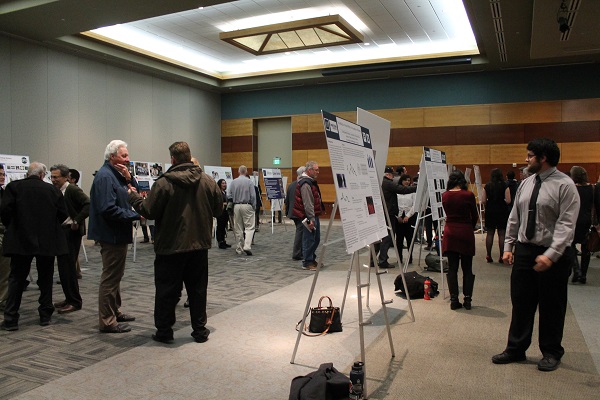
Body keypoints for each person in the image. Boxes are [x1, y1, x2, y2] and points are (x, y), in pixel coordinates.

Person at [493, 138, 579, 372]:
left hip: (554, 255)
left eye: (530, 155)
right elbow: (515, 216)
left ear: (543, 158)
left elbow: (566, 225)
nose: (526, 159)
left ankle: (551, 352)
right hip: (525, 251)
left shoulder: (565, 185)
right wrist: (509, 247)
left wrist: (551, 255)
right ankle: (516, 348)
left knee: (552, 305)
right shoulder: (527, 183)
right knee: (521, 301)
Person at [129, 141, 222, 344]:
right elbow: (218, 210)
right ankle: (199, 330)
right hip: (199, 246)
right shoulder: (207, 181)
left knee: (166, 291)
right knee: (198, 290)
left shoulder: (164, 183)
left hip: (170, 247)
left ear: (172, 159)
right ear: (189, 156)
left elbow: (149, 211)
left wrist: (134, 198)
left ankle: (164, 331)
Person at [0, 162, 69, 331]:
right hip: (47, 241)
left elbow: (5, 212)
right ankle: (45, 315)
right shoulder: (53, 190)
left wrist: (14, 227)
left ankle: (11, 319)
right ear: (41, 175)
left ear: (27, 173)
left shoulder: (13, 187)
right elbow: (63, 214)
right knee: (46, 279)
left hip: (20, 240)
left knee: (16, 279)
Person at [88, 140, 141, 334]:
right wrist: (137, 215)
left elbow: (132, 192)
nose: (128, 159)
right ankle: (107, 321)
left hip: (118, 233)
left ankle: (114, 311)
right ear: (112, 157)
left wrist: (129, 178)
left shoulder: (117, 175)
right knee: (110, 277)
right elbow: (107, 208)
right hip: (110, 234)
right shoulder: (104, 177)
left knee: (116, 275)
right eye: (124, 156)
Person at [49, 164, 89, 314]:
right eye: (51, 177)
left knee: (68, 268)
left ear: (65, 177)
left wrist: (77, 220)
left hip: (71, 233)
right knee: (62, 267)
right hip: (61, 232)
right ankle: (68, 298)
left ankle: (75, 301)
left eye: (56, 177)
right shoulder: (56, 190)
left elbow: (88, 204)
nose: (53, 180)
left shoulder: (72, 189)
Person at [441, 170, 478, 310]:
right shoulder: (468, 195)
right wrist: (470, 227)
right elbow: (474, 215)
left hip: (450, 233)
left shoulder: (445, 195)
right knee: (467, 268)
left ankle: (454, 300)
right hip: (465, 232)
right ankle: (467, 299)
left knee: (452, 268)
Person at [378, 166, 416, 268]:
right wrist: (417, 188)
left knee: (379, 236)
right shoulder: (387, 183)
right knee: (388, 236)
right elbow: (401, 190)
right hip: (388, 213)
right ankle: (382, 260)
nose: (393, 177)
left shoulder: (380, 182)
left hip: (383, 212)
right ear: (387, 175)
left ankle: (374, 259)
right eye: (392, 175)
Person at [292, 161, 322, 271]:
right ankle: (307, 262)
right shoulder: (305, 183)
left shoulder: (310, 182)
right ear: (309, 170)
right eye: (316, 170)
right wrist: (311, 218)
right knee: (309, 239)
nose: (318, 172)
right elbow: (307, 202)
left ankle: (311, 258)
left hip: (313, 214)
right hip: (308, 216)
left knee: (315, 239)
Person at [481, 168, 511, 263]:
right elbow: (509, 200)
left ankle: (488, 255)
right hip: (502, 210)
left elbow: (483, 200)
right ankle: (502, 256)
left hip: (490, 210)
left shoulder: (487, 186)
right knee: (502, 233)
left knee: (490, 233)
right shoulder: (505, 185)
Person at [569, 166, 593, 284]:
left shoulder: (572, 189)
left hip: (574, 220)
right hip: (586, 220)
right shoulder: (592, 188)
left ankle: (576, 270)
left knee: (571, 244)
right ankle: (583, 274)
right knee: (586, 248)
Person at [227, 165, 256, 256]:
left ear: (239, 172)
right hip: (247, 205)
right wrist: (254, 206)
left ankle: (239, 247)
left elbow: (228, 194)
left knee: (238, 227)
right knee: (249, 227)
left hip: (236, 206)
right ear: (246, 172)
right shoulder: (249, 182)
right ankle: (247, 246)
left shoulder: (233, 182)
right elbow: (253, 196)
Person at [286, 166, 305, 261]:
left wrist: (287, 213)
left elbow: (287, 200)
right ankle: (297, 253)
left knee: (300, 231)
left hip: (293, 213)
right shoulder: (302, 184)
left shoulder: (291, 185)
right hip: (300, 213)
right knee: (300, 232)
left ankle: (300, 251)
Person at [396, 174, 416, 264]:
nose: (407, 182)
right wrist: (398, 216)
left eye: (409, 180)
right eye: (405, 180)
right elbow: (394, 204)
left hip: (410, 217)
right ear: (401, 180)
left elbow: (414, 205)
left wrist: (408, 216)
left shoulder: (412, 191)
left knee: (410, 238)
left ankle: (410, 258)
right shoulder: (396, 191)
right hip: (399, 217)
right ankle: (399, 258)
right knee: (399, 240)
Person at [0, 165, 11, 312]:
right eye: (0, 174)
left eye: (3, 174)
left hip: (5, 235)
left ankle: (2, 299)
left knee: (5, 270)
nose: (2, 176)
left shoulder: (5, 192)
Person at [215, 178, 231, 249]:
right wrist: (223, 204)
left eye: (225, 183)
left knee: (224, 226)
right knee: (220, 226)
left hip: (226, 212)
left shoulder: (225, 192)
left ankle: (223, 240)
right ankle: (220, 241)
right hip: (221, 212)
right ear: (219, 184)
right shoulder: (218, 193)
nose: (224, 185)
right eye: (223, 183)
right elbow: (216, 202)